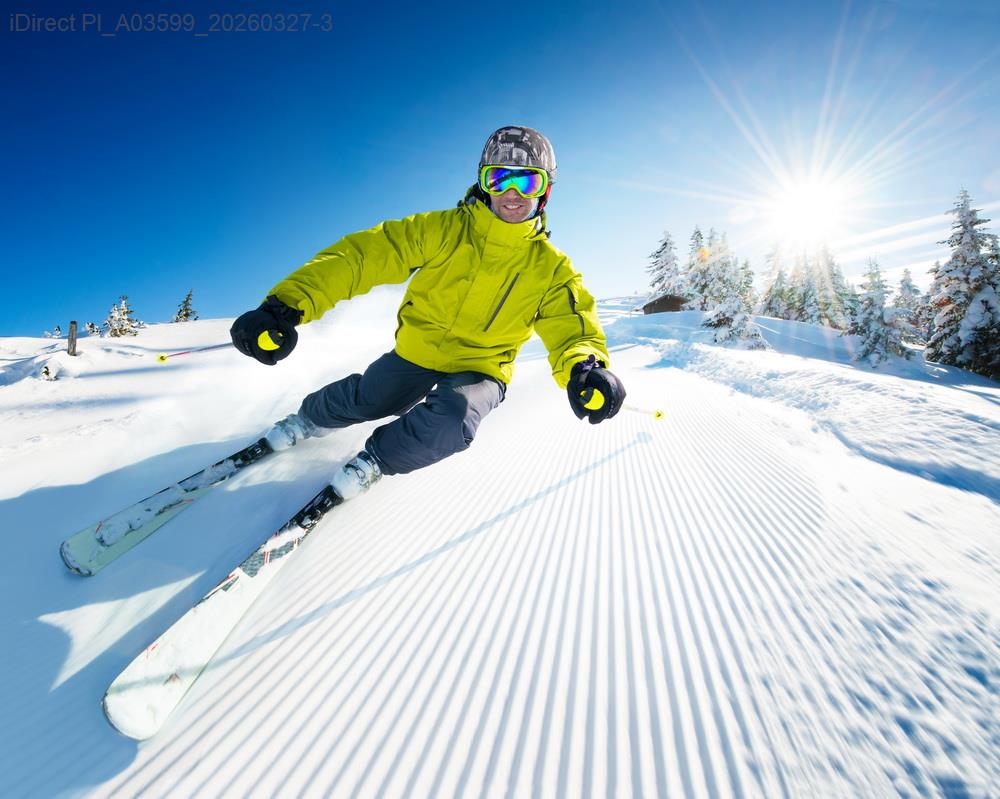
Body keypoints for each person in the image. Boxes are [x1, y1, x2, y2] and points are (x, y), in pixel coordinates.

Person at [230, 125, 626, 501]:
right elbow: (362, 258)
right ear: (483, 183)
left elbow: (572, 328)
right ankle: (306, 421)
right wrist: (286, 305)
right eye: (498, 178)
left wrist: (585, 368)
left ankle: (375, 461)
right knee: (371, 398)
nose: (511, 193)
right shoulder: (442, 230)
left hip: (483, 366)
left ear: (545, 192)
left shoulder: (553, 269)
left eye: (527, 182)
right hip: (418, 350)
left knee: (454, 419)